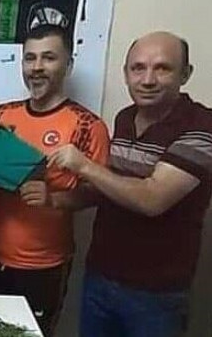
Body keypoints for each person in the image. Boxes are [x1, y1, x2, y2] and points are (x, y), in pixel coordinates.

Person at [48, 31, 212, 337]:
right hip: (100, 277)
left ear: (185, 74)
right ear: (125, 74)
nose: (147, 79)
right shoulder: (125, 118)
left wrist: (84, 166)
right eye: (138, 68)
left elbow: (152, 199)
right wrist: (53, 199)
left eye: (162, 68)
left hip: (156, 295)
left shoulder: (202, 126)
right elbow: (111, 189)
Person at [0, 25, 110, 336]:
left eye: (48, 58)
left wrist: (53, 199)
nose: (36, 67)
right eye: (30, 58)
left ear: (68, 65)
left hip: (42, 267)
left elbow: (96, 194)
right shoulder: (1, 116)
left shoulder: (88, 125)